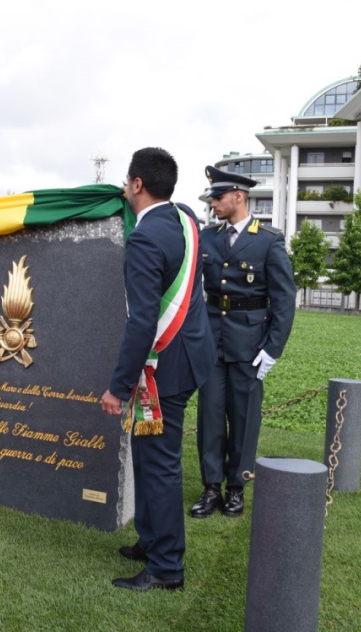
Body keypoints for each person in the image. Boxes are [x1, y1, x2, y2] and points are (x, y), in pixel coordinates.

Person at [101, 147, 215, 591]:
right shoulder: (186, 218)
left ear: (136, 185)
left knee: (160, 465)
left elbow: (143, 320)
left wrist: (118, 386)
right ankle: (150, 540)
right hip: (189, 356)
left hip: (165, 368)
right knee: (147, 454)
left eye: (127, 182)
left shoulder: (146, 237)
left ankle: (167, 567)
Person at [190, 165, 295, 519]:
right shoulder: (207, 236)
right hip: (212, 340)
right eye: (211, 199)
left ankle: (236, 487)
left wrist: (272, 349)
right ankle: (210, 488)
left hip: (250, 343)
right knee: (210, 415)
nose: (213, 204)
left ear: (239, 195)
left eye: (218, 198)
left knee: (244, 416)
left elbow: (284, 299)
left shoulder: (268, 239)